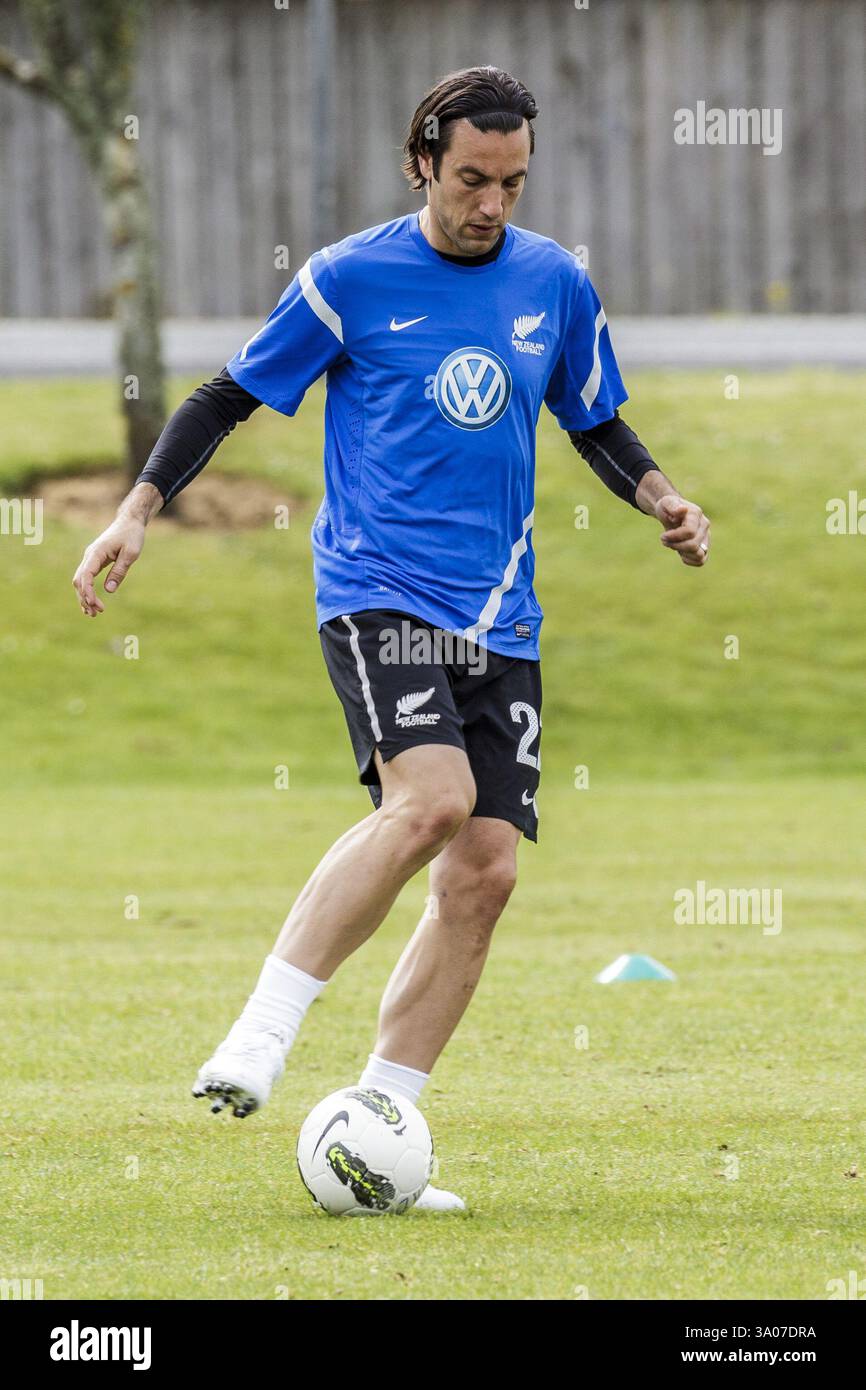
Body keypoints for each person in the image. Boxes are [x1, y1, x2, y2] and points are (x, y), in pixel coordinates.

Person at [72, 65, 710, 1212]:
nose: (491, 204)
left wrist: (660, 496)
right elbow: (224, 394)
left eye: (511, 181)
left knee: (485, 868)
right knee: (425, 804)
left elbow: (593, 416)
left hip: (498, 614)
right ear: (422, 161)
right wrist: (136, 508)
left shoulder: (553, 281)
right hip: (375, 590)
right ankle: (261, 1035)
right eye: (471, 178)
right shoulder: (349, 279)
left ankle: (375, 1127)